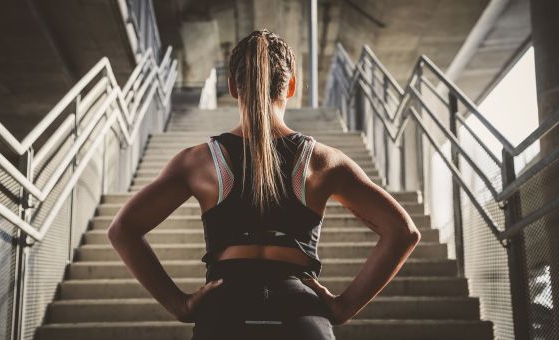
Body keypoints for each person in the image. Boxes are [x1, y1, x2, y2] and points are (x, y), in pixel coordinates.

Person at [107, 29, 421, 340]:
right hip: (301, 314)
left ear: (232, 85)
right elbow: (402, 231)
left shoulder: (198, 162)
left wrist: (180, 305)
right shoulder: (323, 161)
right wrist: (343, 308)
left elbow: (122, 229)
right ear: (292, 86)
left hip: (223, 314)